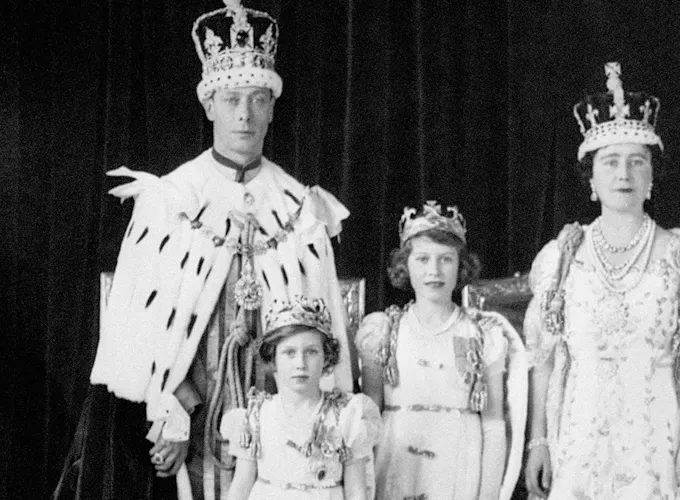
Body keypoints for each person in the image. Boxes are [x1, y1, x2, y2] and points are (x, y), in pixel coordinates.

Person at [53, 1, 353, 499]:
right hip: (185, 418)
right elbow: (142, 334)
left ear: (273, 107)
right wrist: (173, 408)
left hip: (280, 423)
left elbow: (319, 338)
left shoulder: (301, 209)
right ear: (209, 104)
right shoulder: (169, 201)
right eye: (232, 97)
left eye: (258, 99)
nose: (244, 113)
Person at [523, 62, 680, 500]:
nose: (624, 174)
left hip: (658, 441)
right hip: (579, 440)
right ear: (590, 179)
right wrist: (538, 441)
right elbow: (545, 358)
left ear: (652, 177)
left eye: (638, 162)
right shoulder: (561, 259)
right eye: (610, 162)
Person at [355, 201, 528, 500]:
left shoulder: (483, 334)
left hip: (459, 464)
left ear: (460, 266)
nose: (433, 271)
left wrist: (488, 496)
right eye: (422, 259)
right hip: (397, 463)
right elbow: (370, 419)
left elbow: (493, 425)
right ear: (404, 266)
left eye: (445, 259)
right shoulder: (383, 331)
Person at [220, 296, 382, 500]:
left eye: (311, 352)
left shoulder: (346, 415)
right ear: (273, 359)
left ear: (326, 357)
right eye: (289, 352)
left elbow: (356, 492)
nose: (300, 363)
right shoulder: (257, 416)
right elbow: (240, 489)